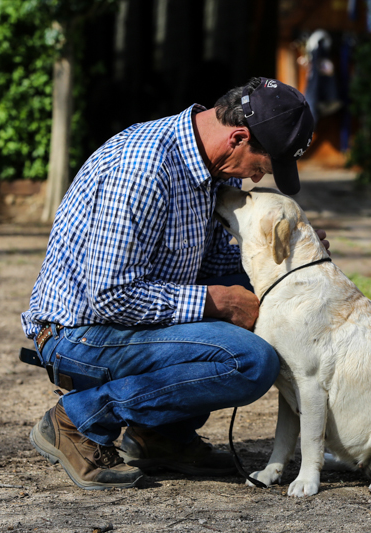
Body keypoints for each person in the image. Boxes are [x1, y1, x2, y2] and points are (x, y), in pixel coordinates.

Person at [21, 77, 326, 490]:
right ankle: (78, 418)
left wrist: (292, 262)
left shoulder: (219, 170)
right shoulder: (142, 169)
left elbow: (215, 262)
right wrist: (216, 302)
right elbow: (111, 295)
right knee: (249, 361)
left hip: (133, 320)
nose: (256, 179)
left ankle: (159, 436)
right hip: (79, 333)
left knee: (282, 292)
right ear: (238, 138)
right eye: (262, 166)